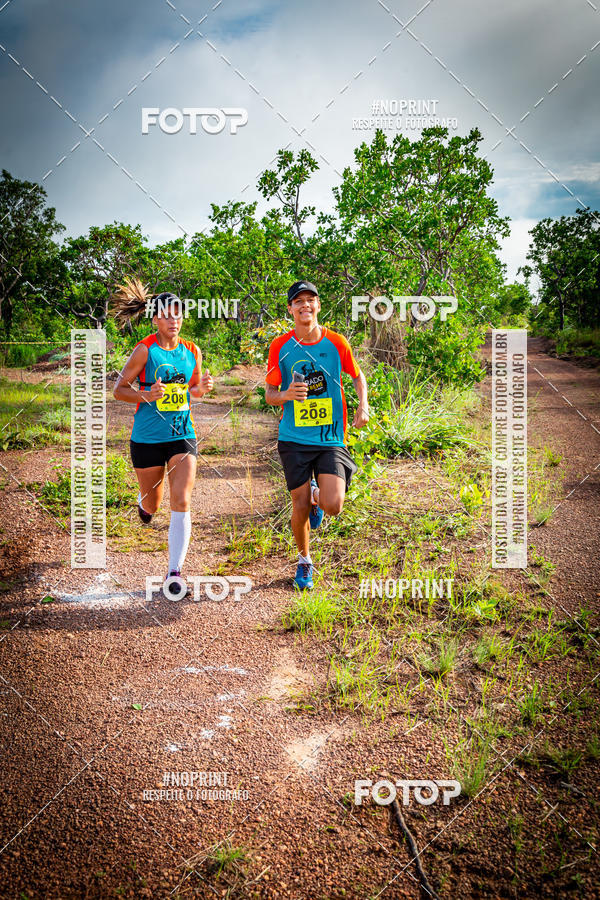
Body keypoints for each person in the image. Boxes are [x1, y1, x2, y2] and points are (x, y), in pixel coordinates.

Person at [112, 278, 213, 598]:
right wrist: (146, 394)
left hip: (182, 434)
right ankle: (144, 505)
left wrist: (201, 389)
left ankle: (174, 572)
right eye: (167, 315)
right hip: (147, 438)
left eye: (178, 315)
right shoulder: (145, 350)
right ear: (155, 319)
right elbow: (118, 390)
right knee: (152, 503)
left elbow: (193, 391)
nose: (174, 320)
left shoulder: (192, 351)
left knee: (181, 499)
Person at [265, 280, 369, 590]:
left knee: (333, 504)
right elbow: (270, 394)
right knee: (298, 506)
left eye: (310, 300)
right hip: (293, 438)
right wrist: (286, 394)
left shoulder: (336, 342)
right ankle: (304, 561)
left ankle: (316, 495)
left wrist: (363, 405)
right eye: (298, 301)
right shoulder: (280, 346)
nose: (305, 305)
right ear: (290, 309)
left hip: (330, 438)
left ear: (318, 306)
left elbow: (358, 376)